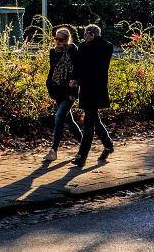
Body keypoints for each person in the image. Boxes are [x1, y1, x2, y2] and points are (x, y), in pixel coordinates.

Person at [71, 23, 114, 167]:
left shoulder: (105, 47)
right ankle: (108, 145)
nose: (83, 36)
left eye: (85, 33)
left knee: (89, 122)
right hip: (85, 88)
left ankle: (81, 156)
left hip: (97, 88)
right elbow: (78, 65)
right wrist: (75, 79)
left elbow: (99, 64)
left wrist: (95, 38)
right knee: (93, 119)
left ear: (92, 34)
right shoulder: (83, 47)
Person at [44, 27, 82, 162]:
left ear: (67, 39)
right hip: (57, 89)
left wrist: (76, 82)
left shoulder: (72, 50)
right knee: (69, 121)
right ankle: (84, 145)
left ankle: (53, 150)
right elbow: (52, 69)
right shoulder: (53, 52)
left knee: (59, 116)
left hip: (70, 90)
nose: (58, 41)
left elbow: (78, 68)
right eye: (56, 39)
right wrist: (48, 83)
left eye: (61, 39)